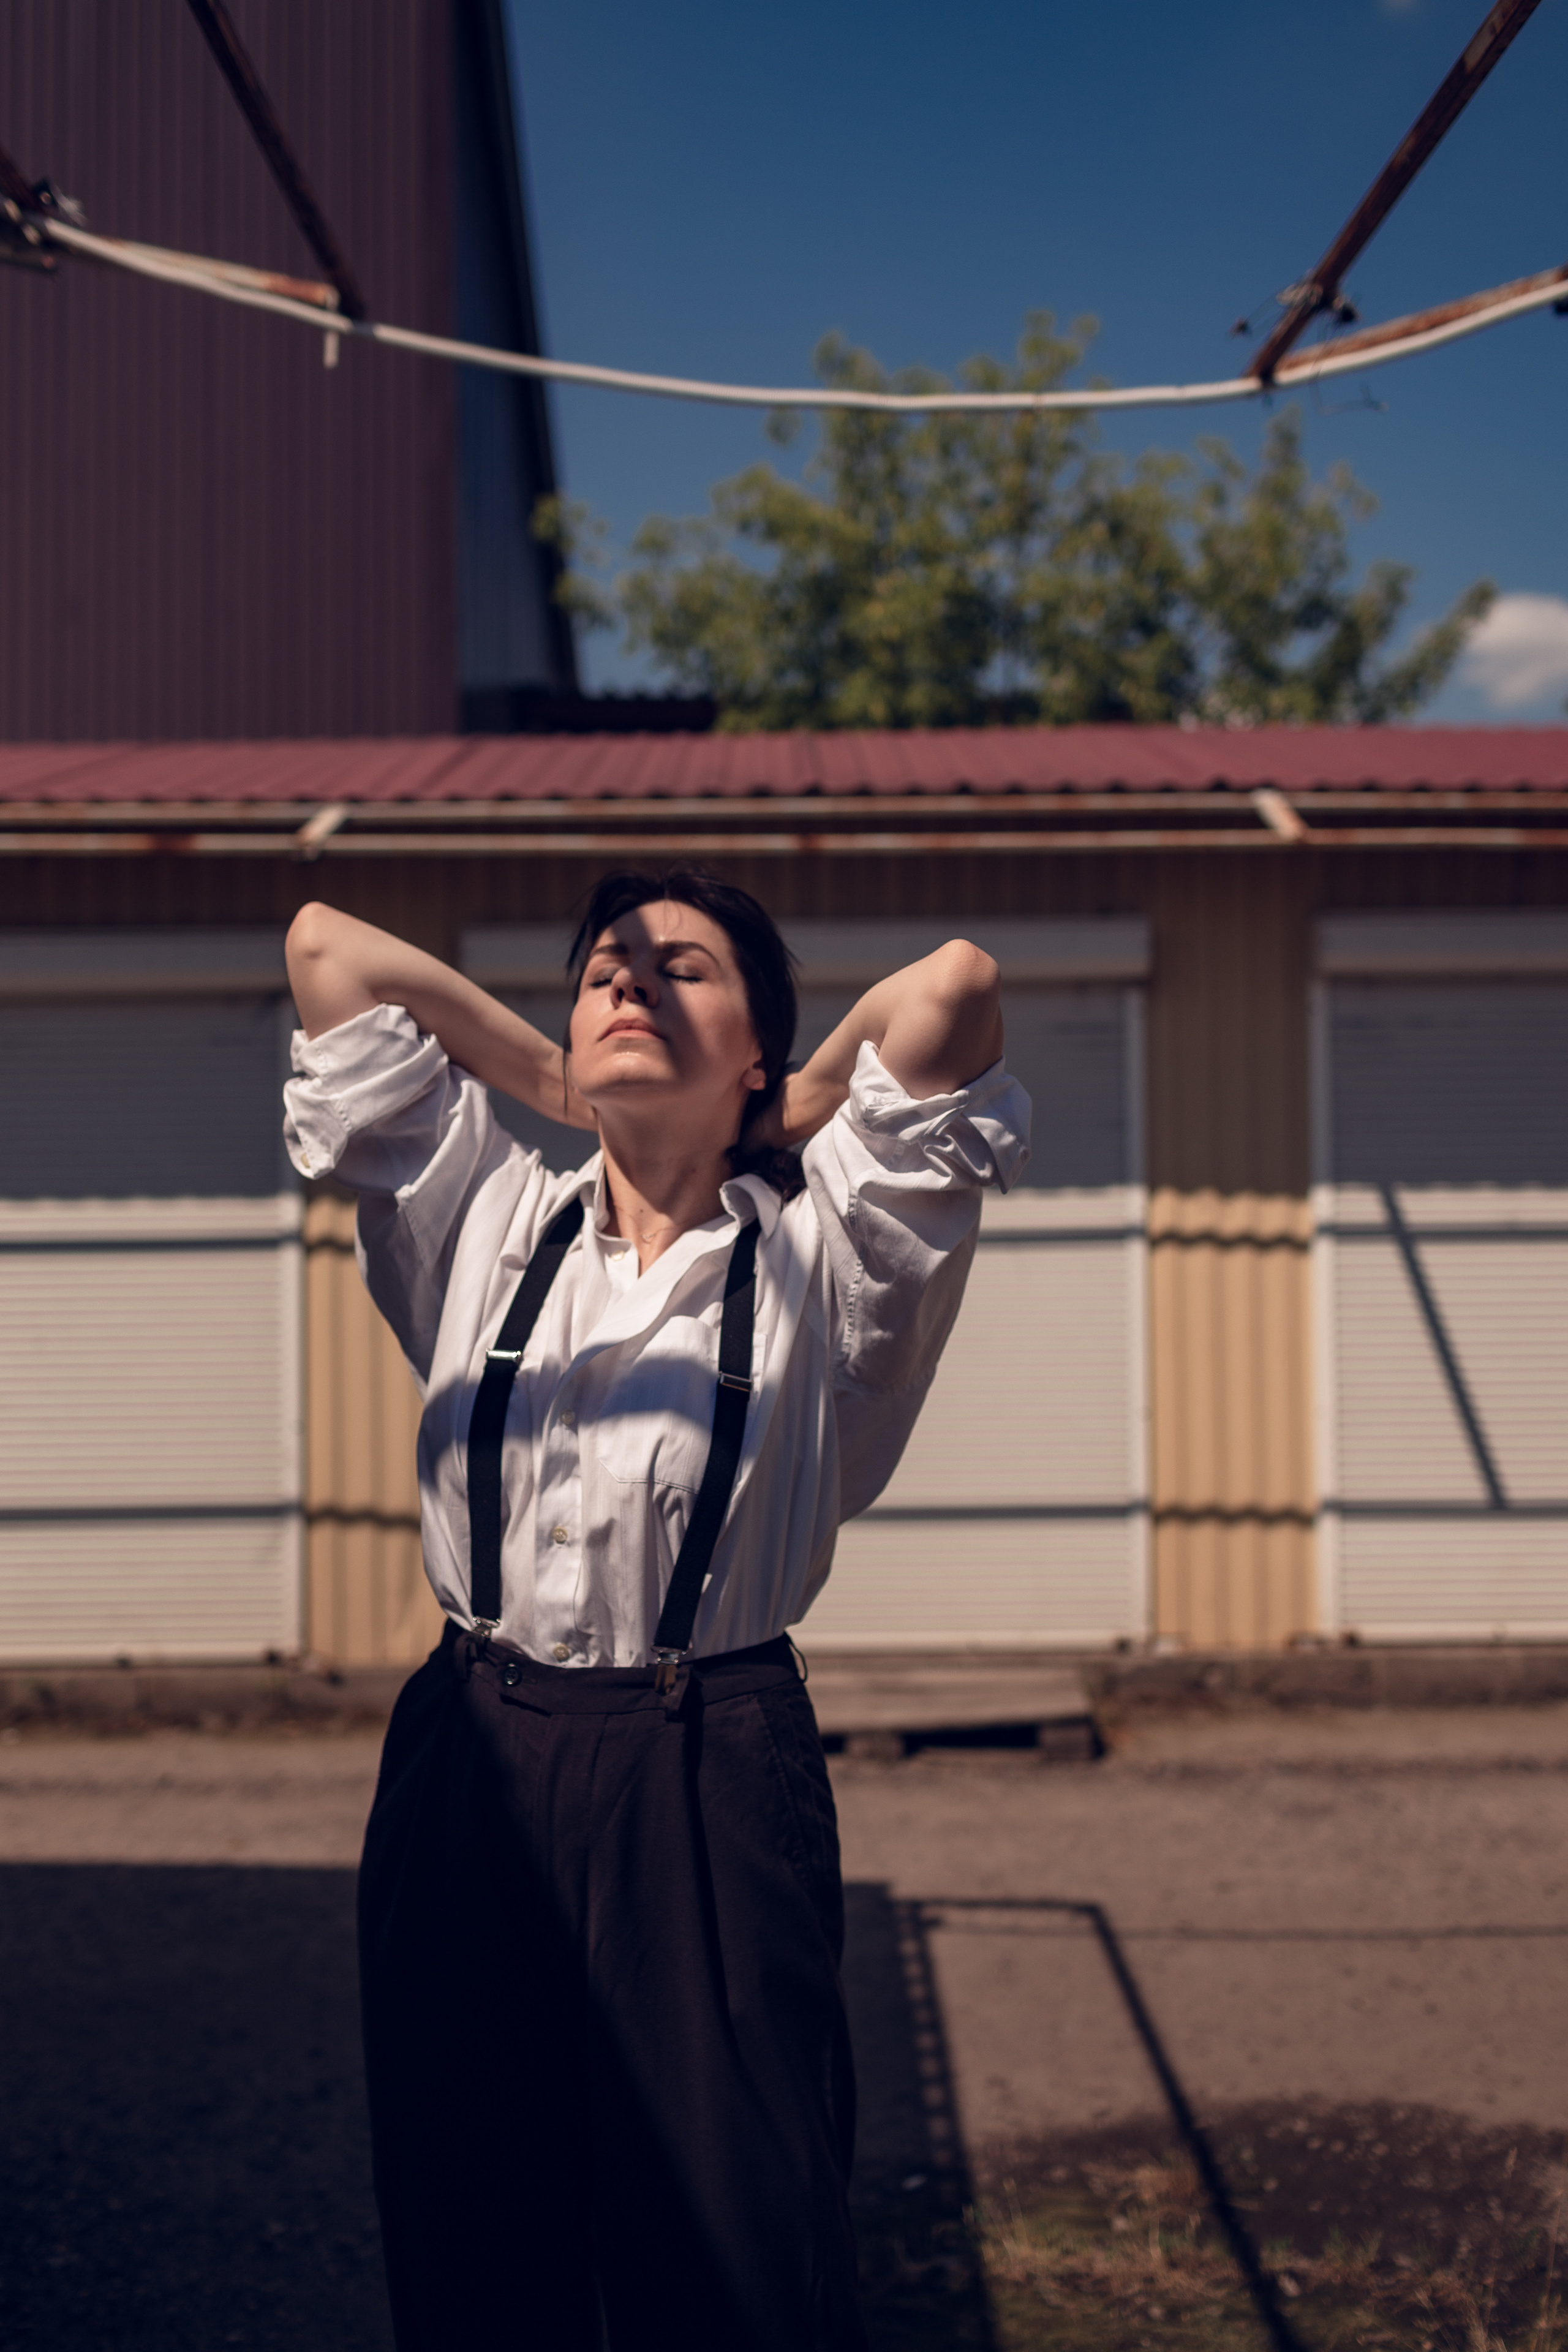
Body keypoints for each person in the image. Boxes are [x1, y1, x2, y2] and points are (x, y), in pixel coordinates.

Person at [282, 870, 1029, 2352]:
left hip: (710, 1755)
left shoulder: (833, 1258)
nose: (624, 983)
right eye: (601, 970)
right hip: (468, 1747)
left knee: (732, 2236)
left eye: (679, 969)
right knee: (471, 2217)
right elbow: (327, 949)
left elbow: (949, 984)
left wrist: (796, 1103)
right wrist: (552, 1077)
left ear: (757, 1048)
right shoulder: (484, 1215)